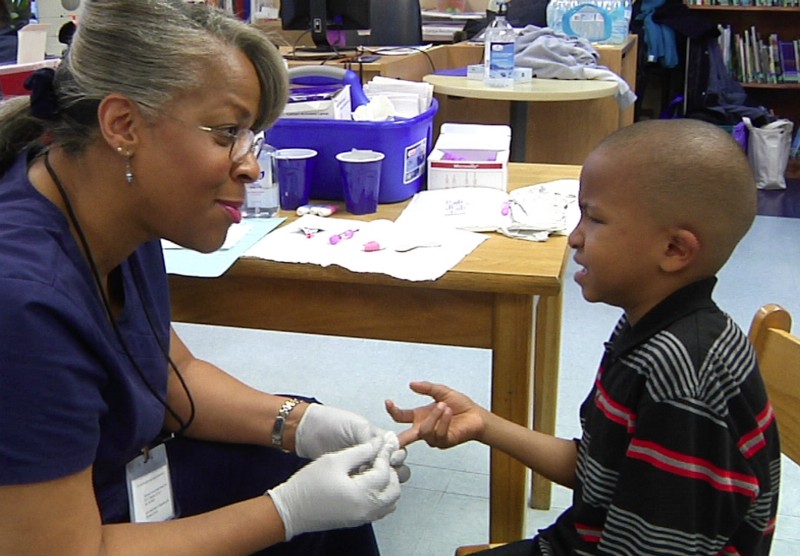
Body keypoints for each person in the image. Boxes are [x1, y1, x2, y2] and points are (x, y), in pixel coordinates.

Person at [0, 1, 406, 555]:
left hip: (94, 488)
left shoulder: (114, 213)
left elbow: (168, 373)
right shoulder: (23, 302)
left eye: (251, 136)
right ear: (122, 126)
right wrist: (286, 512)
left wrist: (300, 423)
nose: (252, 166)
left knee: (295, 455)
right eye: (226, 133)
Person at [387, 119, 781, 555]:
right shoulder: (647, 327)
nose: (574, 237)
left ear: (674, 250)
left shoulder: (682, 373)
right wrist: (483, 423)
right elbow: (601, 470)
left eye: (594, 219)